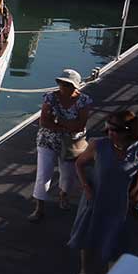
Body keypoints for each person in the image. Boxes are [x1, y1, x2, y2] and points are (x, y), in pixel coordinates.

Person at [68, 110, 138, 274]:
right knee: (88, 238)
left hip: (120, 204)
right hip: (95, 201)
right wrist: (86, 187)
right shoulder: (98, 145)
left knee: (115, 242)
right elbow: (79, 163)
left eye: (116, 129)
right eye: (108, 128)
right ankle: (85, 272)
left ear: (128, 130)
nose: (110, 133)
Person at [29, 69, 91, 221]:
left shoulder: (83, 100)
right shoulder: (50, 97)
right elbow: (44, 121)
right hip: (47, 141)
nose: (62, 86)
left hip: (72, 143)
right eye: (60, 83)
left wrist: (59, 122)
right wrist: (67, 126)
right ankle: (39, 208)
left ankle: (63, 195)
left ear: (74, 86)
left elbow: (80, 125)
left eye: (67, 84)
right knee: (43, 174)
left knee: (68, 174)